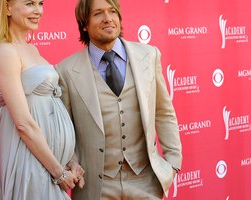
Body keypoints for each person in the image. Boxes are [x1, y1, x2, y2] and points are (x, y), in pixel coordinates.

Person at [56, 0, 182, 199]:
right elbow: (64, 132)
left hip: (146, 181)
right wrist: (72, 165)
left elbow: (164, 112)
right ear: (85, 23)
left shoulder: (149, 55)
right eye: (98, 13)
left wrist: (173, 163)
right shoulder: (65, 71)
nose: (108, 18)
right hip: (95, 186)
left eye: (112, 11)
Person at [0, 0, 84, 199]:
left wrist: (70, 159)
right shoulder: (5, 52)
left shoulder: (32, 49)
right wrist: (59, 174)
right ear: (8, 8)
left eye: (41, 3)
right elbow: (24, 123)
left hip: (48, 164)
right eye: (29, 3)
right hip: (28, 160)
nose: (38, 11)